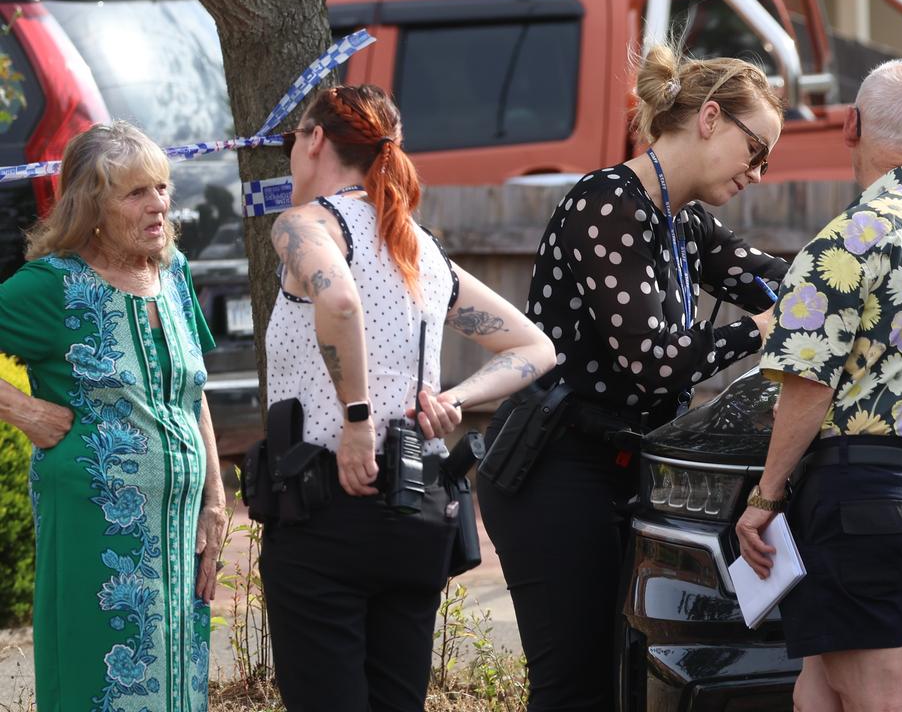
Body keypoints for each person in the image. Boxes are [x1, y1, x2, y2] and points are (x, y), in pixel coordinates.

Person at [477, 45, 789, 711]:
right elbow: (654, 359)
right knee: (576, 688)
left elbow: (771, 279)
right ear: (709, 118)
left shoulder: (683, 220)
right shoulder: (608, 206)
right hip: (554, 468)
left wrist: (846, 277)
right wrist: (756, 332)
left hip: (621, 465)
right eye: (755, 149)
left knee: (625, 682)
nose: (760, 173)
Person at [258, 83, 555, 712]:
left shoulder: (306, 225)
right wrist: (454, 397)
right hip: (416, 509)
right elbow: (534, 348)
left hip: (326, 503)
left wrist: (357, 420)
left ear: (314, 141)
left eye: (293, 141)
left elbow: (338, 300)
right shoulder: (420, 247)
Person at [737, 60, 902, 712]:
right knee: (822, 682)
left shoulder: (842, 243)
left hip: (853, 494)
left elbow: (807, 386)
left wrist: (765, 497)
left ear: (849, 125)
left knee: (875, 690)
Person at [0, 121, 227, 710]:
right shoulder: (53, 287)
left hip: (179, 532)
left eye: (162, 187)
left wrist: (215, 500)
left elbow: (191, 389)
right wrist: (23, 410)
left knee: (176, 686)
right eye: (136, 193)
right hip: (94, 533)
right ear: (92, 205)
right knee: (95, 685)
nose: (159, 206)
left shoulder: (172, 273)